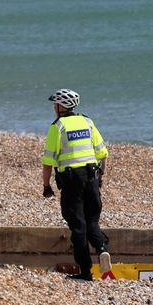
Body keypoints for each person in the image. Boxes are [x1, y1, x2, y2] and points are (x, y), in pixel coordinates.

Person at [41, 89, 110, 281]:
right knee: (92, 220)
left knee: (78, 226)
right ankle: (102, 247)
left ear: (61, 106)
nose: (54, 108)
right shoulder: (87, 122)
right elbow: (103, 154)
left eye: (55, 104)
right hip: (92, 177)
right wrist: (100, 177)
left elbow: (48, 161)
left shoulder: (58, 126)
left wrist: (46, 186)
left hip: (72, 181)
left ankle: (86, 271)